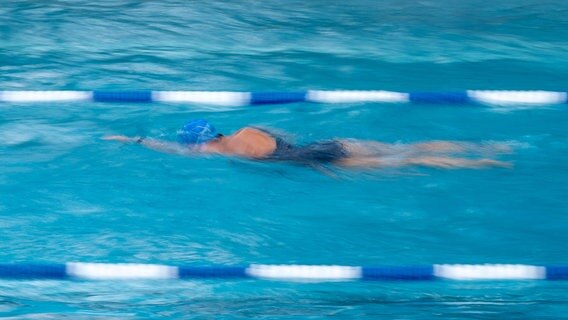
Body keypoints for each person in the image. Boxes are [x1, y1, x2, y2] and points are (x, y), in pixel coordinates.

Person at [103, 119, 511, 169]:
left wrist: (135, 140)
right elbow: (289, 139)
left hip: (320, 159)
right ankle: (489, 146)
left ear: (200, 143)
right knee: (403, 145)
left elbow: (170, 150)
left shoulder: (215, 152)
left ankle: (483, 165)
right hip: (330, 141)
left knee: (406, 163)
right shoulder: (246, 129)